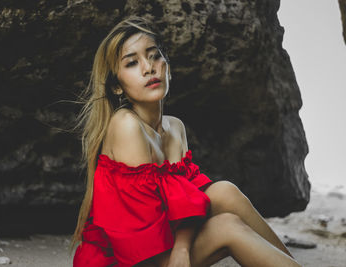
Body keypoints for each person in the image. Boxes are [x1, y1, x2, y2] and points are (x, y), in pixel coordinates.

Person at [70, 16, 301, 267]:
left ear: (167, 65)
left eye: (154, 55)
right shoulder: (126, 125)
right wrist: (180, 251)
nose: (149, 67)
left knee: (224, 191)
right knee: (227, 227)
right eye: (132, 63)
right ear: (117, 87)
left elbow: (185, 200)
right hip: (130, 258)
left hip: (161, 248)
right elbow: (143, 237)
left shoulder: (175, 127)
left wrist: (182, 248)